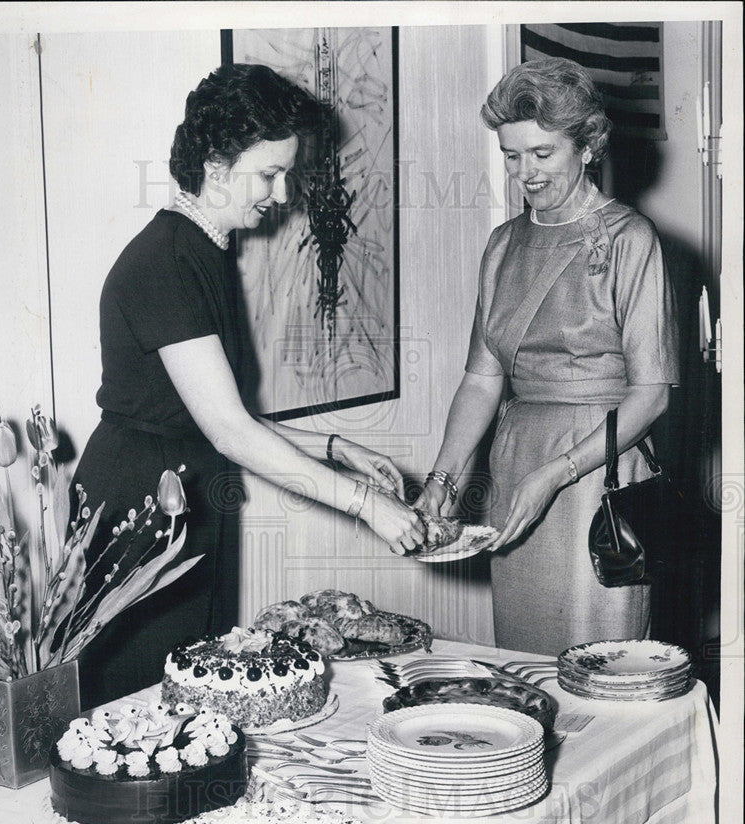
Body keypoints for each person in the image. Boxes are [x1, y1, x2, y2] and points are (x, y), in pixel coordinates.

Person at [74, 64, 423, 708]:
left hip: (184, 497)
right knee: (149, 713)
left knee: (196, 706)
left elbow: (218, 415)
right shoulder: (168, 262)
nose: (283, 193)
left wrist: (337, 445)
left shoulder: (204, 251)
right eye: (269, 174)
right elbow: (230, 430)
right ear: (214, 166)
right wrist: (366, 505)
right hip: (140, 515)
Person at [415, 57, 679, 657]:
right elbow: (482, 380)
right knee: (526, 657)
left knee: (599, 660)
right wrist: (443, 479)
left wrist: (556, 473)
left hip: (598, 470)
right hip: (517, 464)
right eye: (512, 155)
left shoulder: (629, 240)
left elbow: (651, 394)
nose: (524, 172)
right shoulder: (503, 244)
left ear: (586, 146)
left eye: (542, 154)